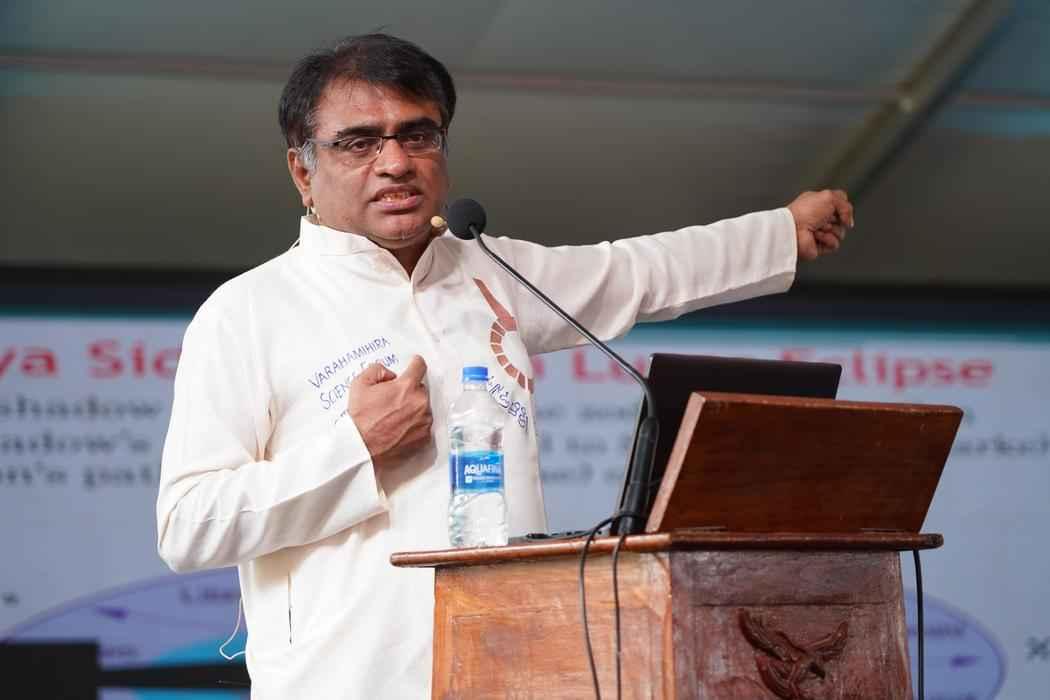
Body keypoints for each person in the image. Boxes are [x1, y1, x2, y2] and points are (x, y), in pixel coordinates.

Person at [155, 33, 853, 699]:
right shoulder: (250, 310)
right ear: (303, 171)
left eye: (418, 135)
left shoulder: (488, 268)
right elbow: (188, 525)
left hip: (515, 667)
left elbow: (638, 272)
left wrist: (779, 233)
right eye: (360, 143)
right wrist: (356, 450)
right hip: (346, 682)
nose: (395, 163)